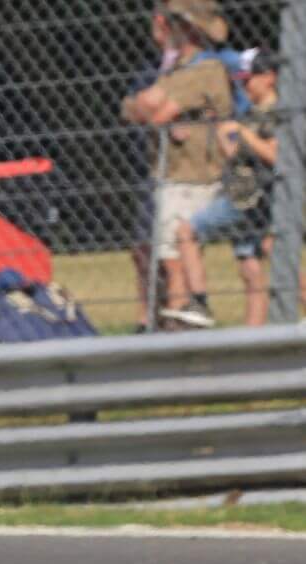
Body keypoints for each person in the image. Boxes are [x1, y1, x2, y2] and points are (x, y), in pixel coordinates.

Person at [121, 2, 233, 329]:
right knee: (167, 248)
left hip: (192, 175)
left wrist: (154, 111)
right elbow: (133, 106)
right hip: (170, 173)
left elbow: (156, 111)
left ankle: (184, 312)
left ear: (189, 29)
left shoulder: (204, 69)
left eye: (174, 22)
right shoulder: (177, 69)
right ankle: (178, 315)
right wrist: (150, 108)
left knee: (175, 249)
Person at [183, 49, 298, 325]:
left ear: (269, 77)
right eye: (241, 81)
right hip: (242, 193)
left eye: (249, 80)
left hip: (252, 199)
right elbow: (235, 154)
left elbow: (275, 156)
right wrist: (220, 126)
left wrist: (244, 134)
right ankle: (253, 335)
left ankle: (199, 303)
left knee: (186, 230)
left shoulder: (275, 114)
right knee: (251, 267)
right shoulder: (252, 113)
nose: (244, 86)